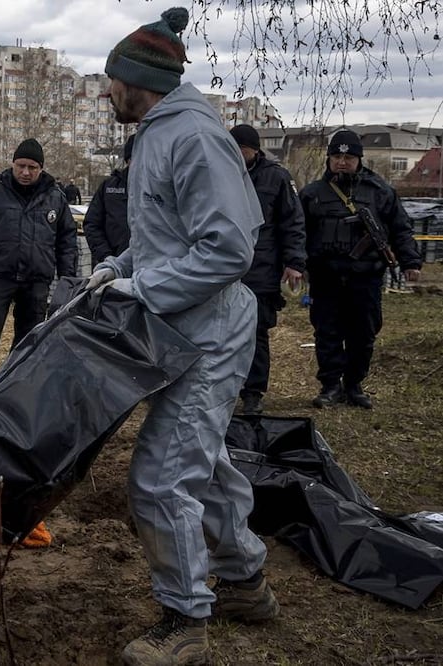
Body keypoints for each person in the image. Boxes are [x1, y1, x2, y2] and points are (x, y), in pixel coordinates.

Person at [90, 9, 279, 664]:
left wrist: (139, 290)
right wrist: (117, 267)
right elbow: (164, 239)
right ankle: (244, 584)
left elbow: (227, 248)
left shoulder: (191, 137)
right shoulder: (155, 133)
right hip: (179, 328)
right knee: (203, 461)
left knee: (161, 476)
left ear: (138, 80)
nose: (105, 91)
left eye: (111, 80)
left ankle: (184, 623)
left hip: (209, 333)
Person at [299, 129, 422, 410]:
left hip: (365, 277)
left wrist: (411, 261)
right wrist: (296, 264)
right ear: (329, 158)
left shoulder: (380, 192)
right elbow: (297, 233)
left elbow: (401, 229)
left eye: (349, 157)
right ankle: (330, 386)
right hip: (326, 276)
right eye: (337, 156)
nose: (342, 162)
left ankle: (354, 385)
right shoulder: (312, 194)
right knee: (327, 332)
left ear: (359, 159)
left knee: (363, 333)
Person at [0, 138, 77, 394]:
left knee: (29, 335)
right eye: (21, 165)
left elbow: (67, 240)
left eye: (32, 167)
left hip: (36, 279)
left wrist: (69, 280)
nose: (25, 172)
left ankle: (19, 385)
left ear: (41, 169)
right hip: (0, 275)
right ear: (12, 164)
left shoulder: (55, 197)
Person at [229, 124, 307, 415]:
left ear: (254, 150)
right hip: (223, 269)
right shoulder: (218, 174)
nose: (237, 155)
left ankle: (253, 393)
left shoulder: (276, 178)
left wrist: (294, 262)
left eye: (242, 150)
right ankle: (224, 387)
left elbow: (293, 222)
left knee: (255, 332)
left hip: (260, 269)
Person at [83, 134, 134, 269]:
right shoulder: (109, 187)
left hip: (150, 269)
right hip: (111, 265)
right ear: (128, 160)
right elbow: (92, 224)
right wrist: (105, 256)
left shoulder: (161, 188)